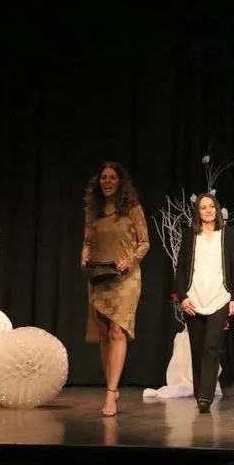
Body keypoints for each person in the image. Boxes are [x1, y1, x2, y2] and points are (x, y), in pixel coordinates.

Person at [81, 161, 150, 417]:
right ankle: (112, 382)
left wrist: (129, 260)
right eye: (103, 178)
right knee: (104, 334)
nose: (107, 181)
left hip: (126, 277)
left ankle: (111, 393)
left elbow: (144, 243)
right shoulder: (94, 211)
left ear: (120, 182)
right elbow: (87, 242)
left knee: (118, 330)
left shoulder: (132, 209)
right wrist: (84, 258)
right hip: (99, 275)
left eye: (112, 177)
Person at [173, 193, 234, 413]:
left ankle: (206, 396)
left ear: (217, 209)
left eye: (211, 206)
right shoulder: (190, 235)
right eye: (203, 208)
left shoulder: (227, 234)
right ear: (198, 212)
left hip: (220, 298)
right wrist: (182, 297)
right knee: (198, 348)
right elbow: (181, 269)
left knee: (212, 347)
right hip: (194, 299)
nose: (208, 210)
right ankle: (199, 393)